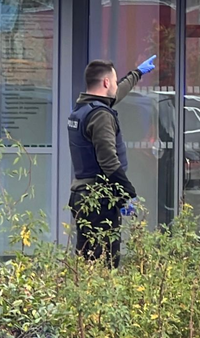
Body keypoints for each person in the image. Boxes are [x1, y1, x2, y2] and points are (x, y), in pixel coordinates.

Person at [67, 56, 156, 266]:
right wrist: (128, 194)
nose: (116, 86)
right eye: (114, 81)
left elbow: (116, 94)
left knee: (87, 260)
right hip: (99, 201)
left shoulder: (82, 109)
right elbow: (109, 162)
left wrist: (138, 73)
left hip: (83, 196)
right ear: (106, 83)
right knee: (104, 264)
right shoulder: (100, 116)